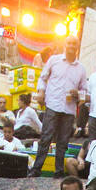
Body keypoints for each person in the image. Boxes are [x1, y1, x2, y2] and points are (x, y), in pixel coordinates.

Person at [29, 37, 88, 179]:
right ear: (64, 45)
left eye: (74, 44)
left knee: (63, 141)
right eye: (69, 43)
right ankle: (36, 169)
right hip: (53, 104)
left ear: (77, 46)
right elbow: (42, 78)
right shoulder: (54, 60)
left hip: (68, 109)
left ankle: (59, 171)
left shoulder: (81, 68)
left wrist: (78, 94)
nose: (71, 46)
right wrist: (41, 92)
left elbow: (84, 91)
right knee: (46, 137)